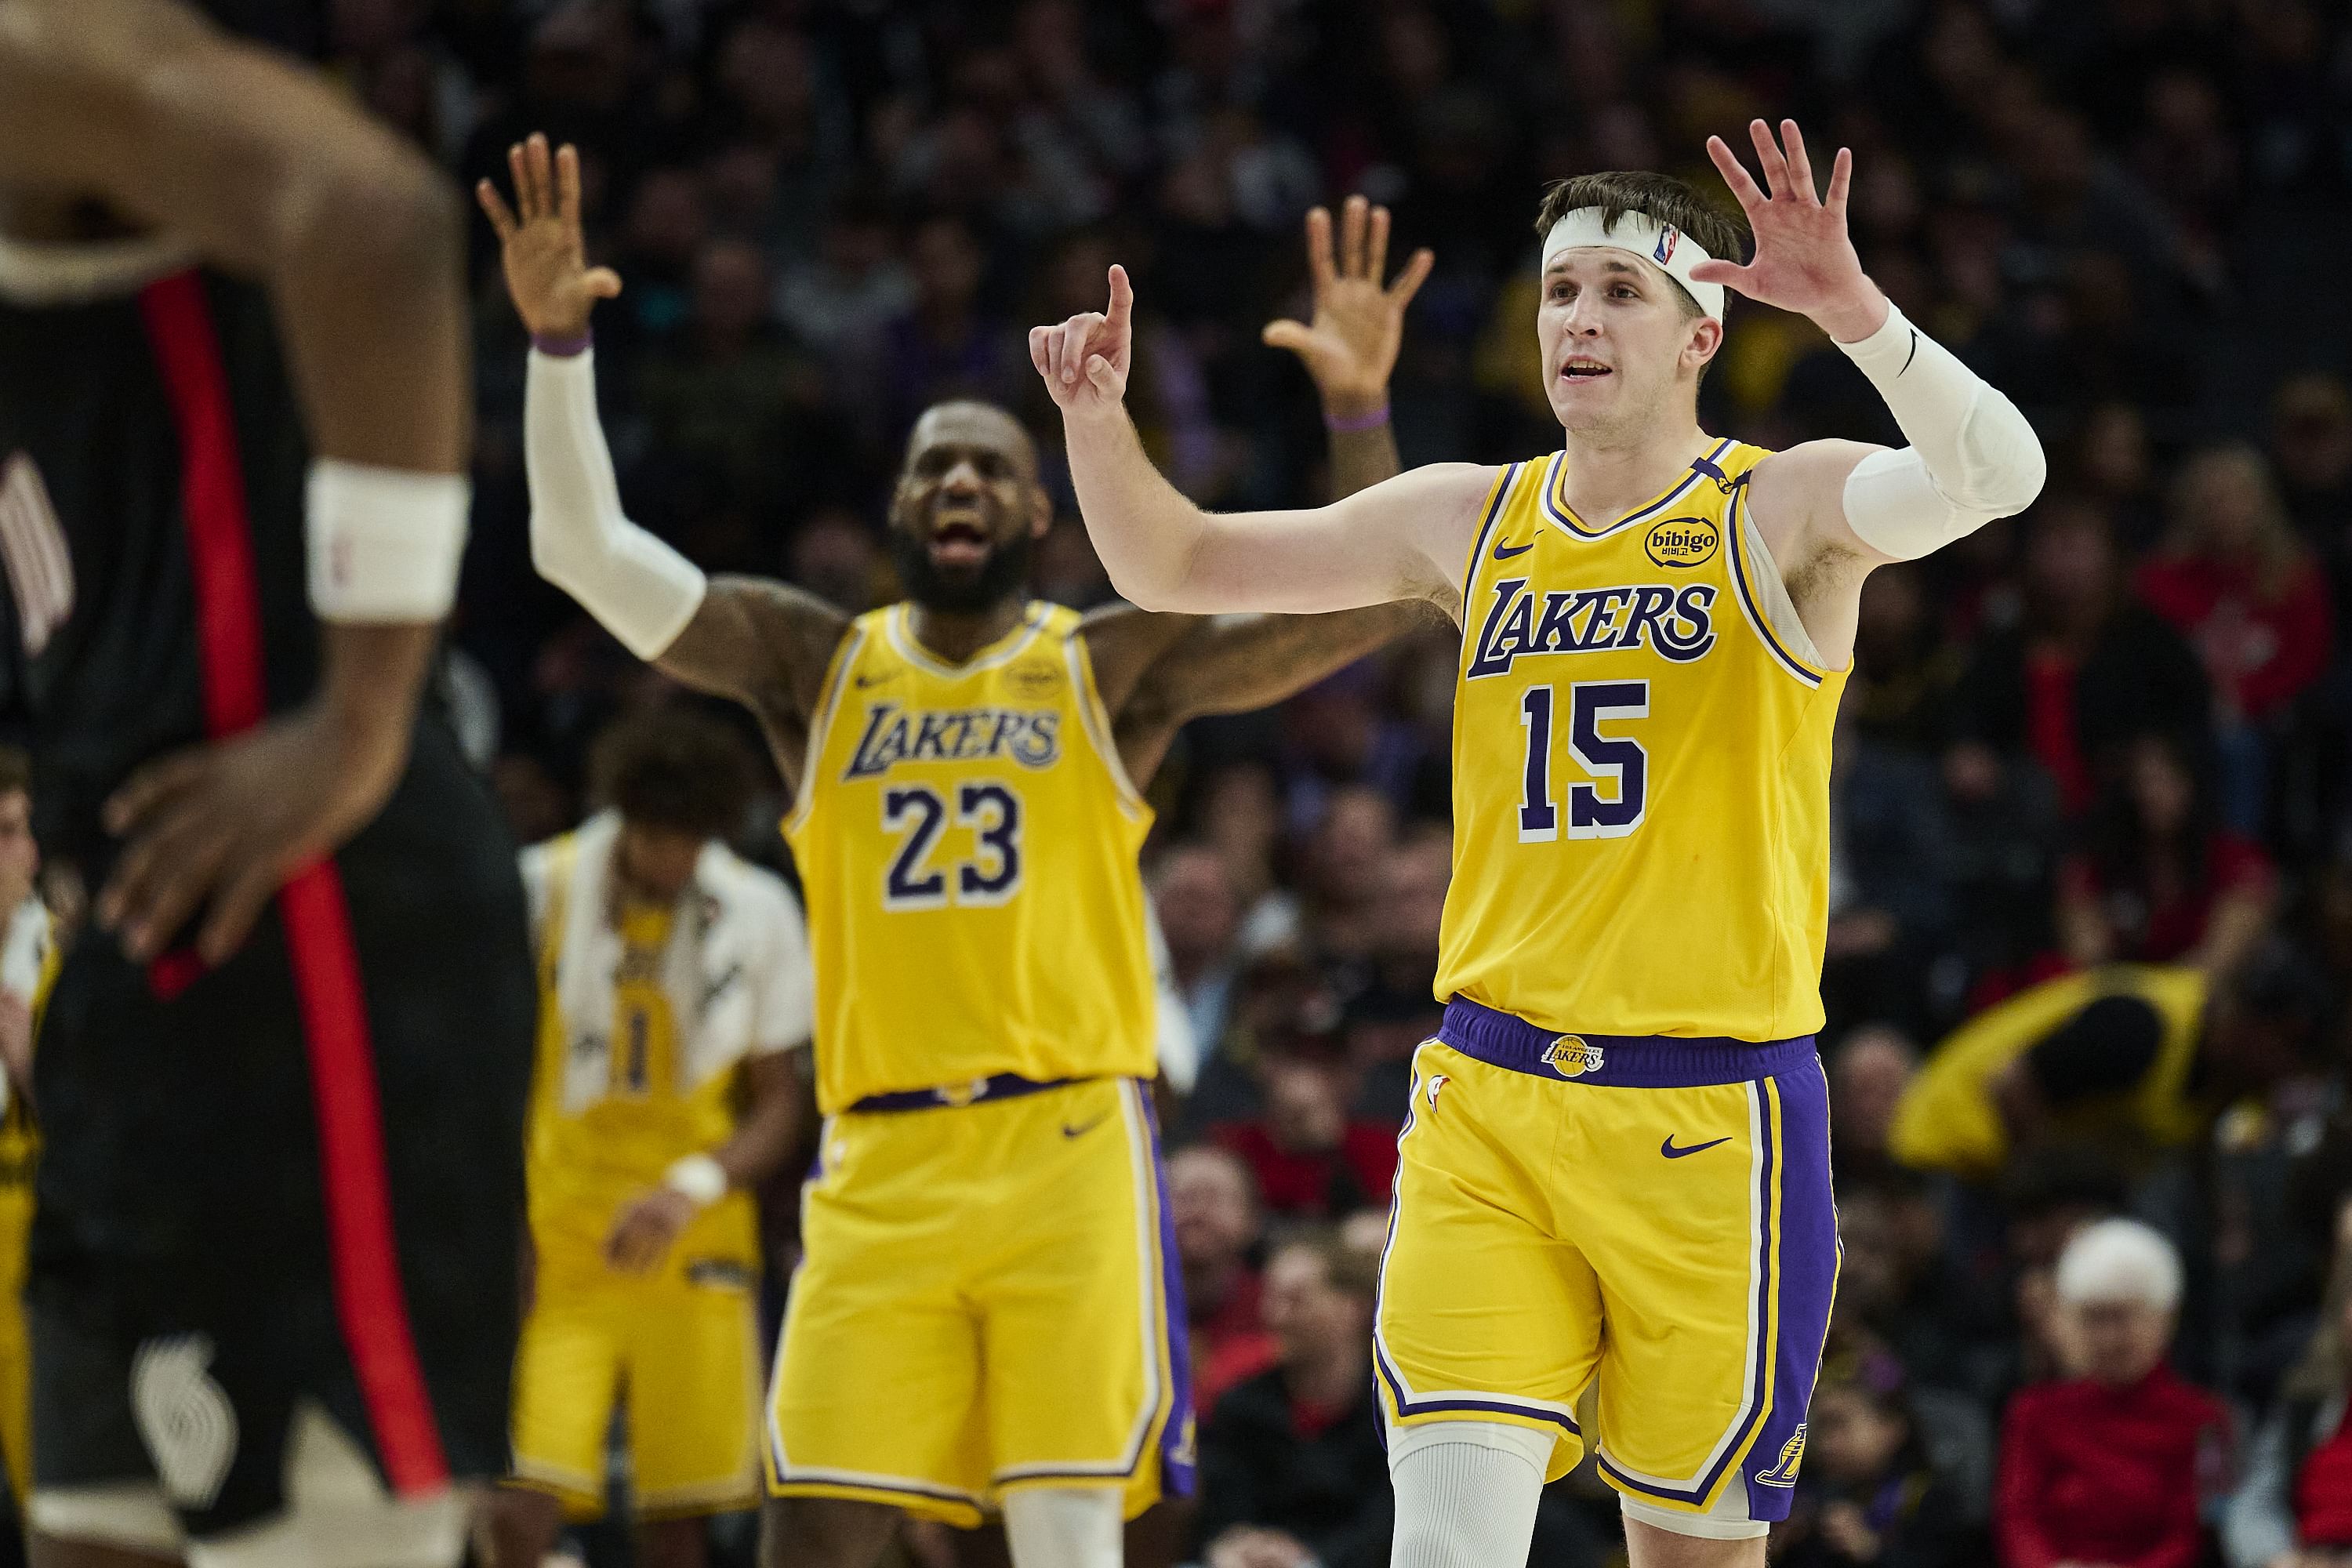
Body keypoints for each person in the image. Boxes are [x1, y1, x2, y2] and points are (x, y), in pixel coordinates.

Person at [1032, 119, 2046, 1563]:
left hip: (1715, 1126)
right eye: (1561, 289)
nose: (1579, 315)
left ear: (1702, 335)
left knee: (1686, 1552)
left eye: (1621, 292)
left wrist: (1854, 314)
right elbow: (1173, 562)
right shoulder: (1471, 515)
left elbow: (1999, 477)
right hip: (1490, 1107)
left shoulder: (1785, 507)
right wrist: (1093, 417)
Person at [480, 136, 1434, 1568]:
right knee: (809, 1539)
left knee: (1054, 1543)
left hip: (1064, 1148)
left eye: (991, 468)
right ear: (901, 513)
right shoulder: (812, 665)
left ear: (1043, 513)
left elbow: (1369, 603)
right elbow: (583, 552)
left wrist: (1359, 411)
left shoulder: (1105, 668)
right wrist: (559, 344)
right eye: (936, 470)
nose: (962, 487)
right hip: (879, 1159)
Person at [0, 5, 536, 1566]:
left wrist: (365, 712)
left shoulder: (45, 48)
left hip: (305, 912)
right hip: (138, 922)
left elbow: (374, 222)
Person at [487, 709, 814, 1568]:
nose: (672, 860)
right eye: (655, 838)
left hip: (693, 1233)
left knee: (681, 1522)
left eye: (690, 842)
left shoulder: (759, 908)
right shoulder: (539, 888)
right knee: (517, 1500)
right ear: (618, 816)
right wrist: (501, 1220)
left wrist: (693, 1187)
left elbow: (782, 1101)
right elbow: (486, 1072)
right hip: (560, 1233)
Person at [1888, 946, 2333, 1184]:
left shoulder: (2229, 1081)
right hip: (1945, 1151)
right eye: (2288, 1050)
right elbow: (2011, 1084)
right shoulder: (2141, 1028)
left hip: (2002, 1172)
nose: (2290, 1071)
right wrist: (2059, 1193)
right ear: (2248, 1021)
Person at [1994, 1220, 2230, 1568]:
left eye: (2122, 1318)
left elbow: (2199, 1534)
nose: (2107, 1338)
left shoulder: (2208, 1421)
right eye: (2093, 1318)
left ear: (2165, 1317)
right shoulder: (2032, 1412)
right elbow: (2017, 1518)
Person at [1194, 1236, 1391, 1568]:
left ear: (1353, 1308)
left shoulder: (1391, 1411)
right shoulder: (1240, 1406)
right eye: (1271, 1298)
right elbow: (1220, 1512)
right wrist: (1237, 1547)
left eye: (1296, 1300)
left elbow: (1387, 1523)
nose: (1276, 1316)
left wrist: (1310, 1560)